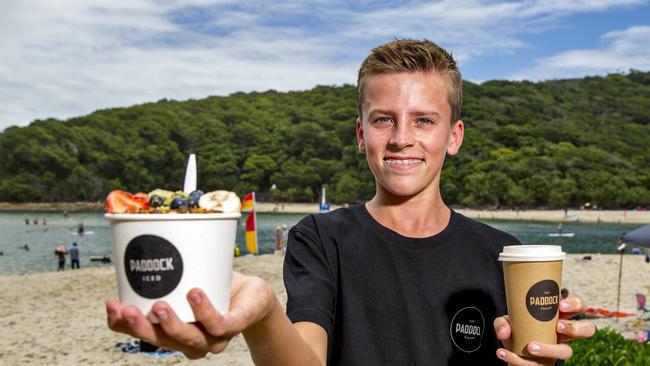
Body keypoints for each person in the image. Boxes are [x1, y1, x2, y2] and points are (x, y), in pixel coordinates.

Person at [106, 39, 595, 365]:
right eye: (384, 119)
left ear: (454, 136)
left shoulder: (503, 254)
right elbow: (308, 357)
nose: (402, 138)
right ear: (361, 134)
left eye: (424, 120)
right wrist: (262, 315)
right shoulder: (320, 239)